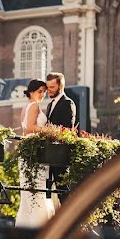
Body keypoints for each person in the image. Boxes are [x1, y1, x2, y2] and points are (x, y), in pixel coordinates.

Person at [15, 79, 56, 228]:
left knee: (29, 192)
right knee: (37, 189)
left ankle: (26, 225)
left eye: (44, 92)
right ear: (31, 91)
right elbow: (30, 128)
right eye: (40, 91)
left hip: (28, 150)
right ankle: (39, 225)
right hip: (34, 151)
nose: (42, 94)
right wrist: (50, 131)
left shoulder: (25, 108)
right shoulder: (34, 106)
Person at [44, 72, 78, 208]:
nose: (49, 90)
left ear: (61, 86)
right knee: (52, 191)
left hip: (61, 155)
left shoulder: (68, 103)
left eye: (52, 87)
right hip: (50, 155)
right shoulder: (49, 105)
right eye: (48, 87)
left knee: (63, 192)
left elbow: (67, 130)